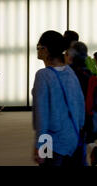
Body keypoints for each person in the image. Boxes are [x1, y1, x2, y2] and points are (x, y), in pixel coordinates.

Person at [32, 31, 85, 166]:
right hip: (73, 139)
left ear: (45, 49)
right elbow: (80, 106)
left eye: (38, 47)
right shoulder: (70, 72)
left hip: (52, 143)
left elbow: (42, 114)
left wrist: (40, 146)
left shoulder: (43, 75)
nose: (37, 51)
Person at [67, 42, 97, 166]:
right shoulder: (91, 74)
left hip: (69, 124)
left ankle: (90, 147)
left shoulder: (66, 75)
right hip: (89, 118)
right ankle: (92, 146)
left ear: (70, 56)